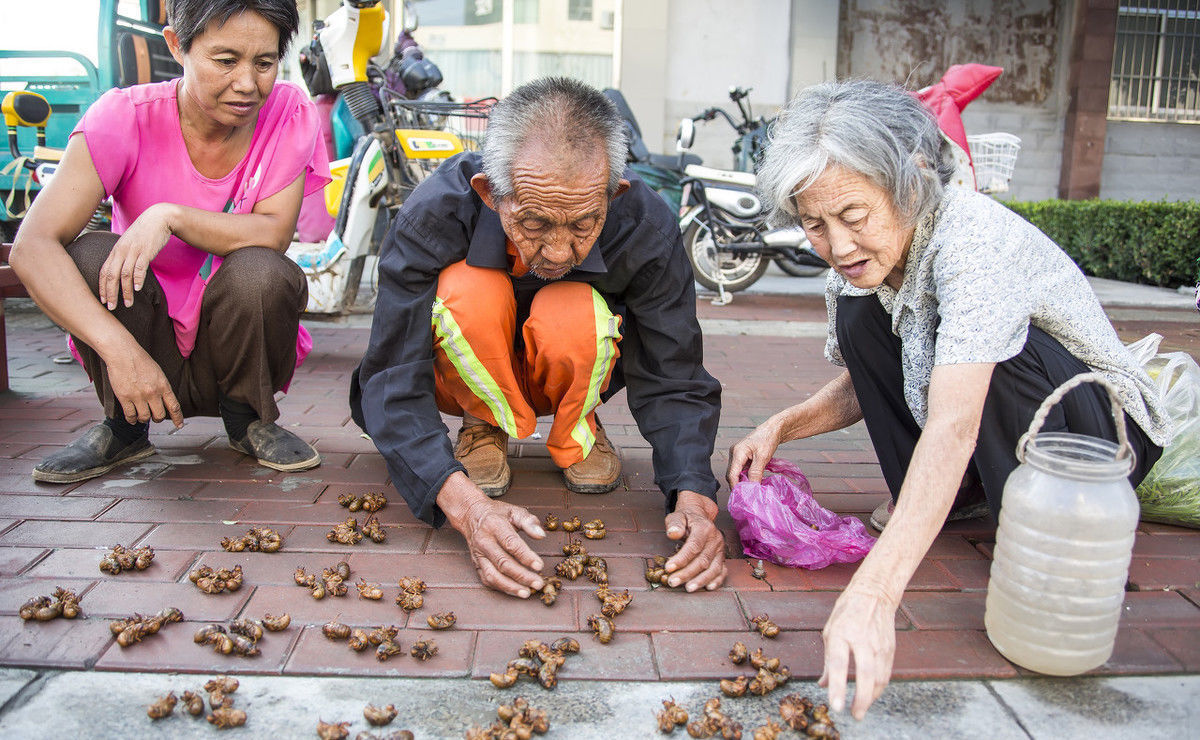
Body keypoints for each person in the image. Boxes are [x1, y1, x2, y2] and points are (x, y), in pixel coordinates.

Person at [728, 79, 1170, 719]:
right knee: (860, 317)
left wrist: (875, 592)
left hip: (1097, 435)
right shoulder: (863, 263)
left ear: (910, 178)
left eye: (854, 217)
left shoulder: (973, 242)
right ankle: (963, 496)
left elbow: (957, 419)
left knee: (1001, 353)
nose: (839, 246)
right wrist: (782, 425)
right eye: (813, 225)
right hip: (1002, 418)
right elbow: (866, 380)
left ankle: (993, 500)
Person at [351, 77, 725, 598]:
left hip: (564, 369)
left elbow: (674, 370)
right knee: (467, 290)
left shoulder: (643, 224)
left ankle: (578, 427)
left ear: (611, 196)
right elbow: (392, 371)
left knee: (571, 305)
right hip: (459, 376)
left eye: (583, 225)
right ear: (489, 192)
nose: (556, 251)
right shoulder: (433, 214)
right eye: (534, 222)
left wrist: (692, 494)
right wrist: (463, 504)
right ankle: (483, 423)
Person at [10, 0, 330, 483]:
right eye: (226, 61)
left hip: (230, 343)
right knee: (92, 256)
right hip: (144, 345)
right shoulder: (123, 117)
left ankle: (248, 420)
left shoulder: (287, 112)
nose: (247, 83)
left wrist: (170, 216)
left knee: (264, 270)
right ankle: (123, 426)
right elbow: (31, 247)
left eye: (264, 63)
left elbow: (273, 232)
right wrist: (119, 352)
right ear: (177, 45)